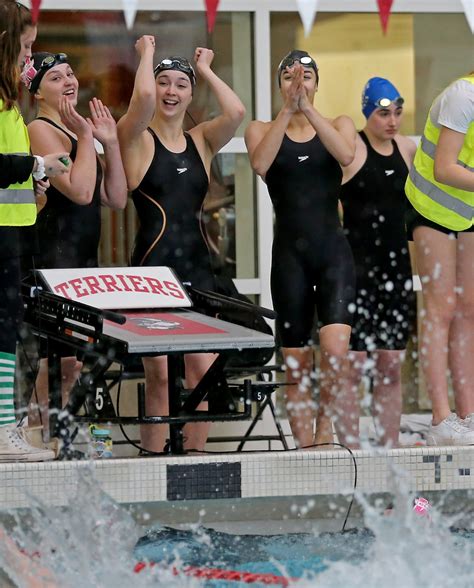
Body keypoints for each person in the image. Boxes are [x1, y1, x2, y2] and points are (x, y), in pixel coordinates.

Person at [117, 35, 245, 453]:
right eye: (165, 82)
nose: (171, 91)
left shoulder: (202, 140)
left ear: (191, 93)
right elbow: (143, 98)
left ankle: (194, 461)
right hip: (152, 271)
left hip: (197, 269)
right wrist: (146, 55)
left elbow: (237, 111)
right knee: (156, 375)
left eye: (181, 84)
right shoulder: (137, 138)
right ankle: (153, 466)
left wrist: (206, 70)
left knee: (201, 371)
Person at [245, 50, 356, 449]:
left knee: (335, 349)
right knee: (295, 359)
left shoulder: (337, 124)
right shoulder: (260, 128)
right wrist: (288, 111)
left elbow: (346, 156)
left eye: (307, 76)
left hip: (333, 252)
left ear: (317, 83)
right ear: (279, 85)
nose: (300, 83)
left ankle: (325, 435)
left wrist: (307, 110)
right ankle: (303, 445)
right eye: (292, 77)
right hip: (290, 256)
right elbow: (260, 164)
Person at [24, 51, 128, 438]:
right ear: (37, 93)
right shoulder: (40, 129)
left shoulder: (76, 132)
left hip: (84, 262)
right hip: (54, 259)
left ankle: (61, 441)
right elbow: (82, 192)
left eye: (70, 74)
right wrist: (86, 137)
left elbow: (115, 197)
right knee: (60, 363)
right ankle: (39, 436)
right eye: (55, 78)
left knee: (79, 364)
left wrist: (110, 142)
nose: (68, 81)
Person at [0, 0, 69, 461]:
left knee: (7, 333)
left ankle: (5, 426)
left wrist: (34, 179)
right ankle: (5, 429)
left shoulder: (9, 104)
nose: (30, 58)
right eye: (26, 48)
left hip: (14, 231)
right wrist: (33, 163)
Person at [338, 77, 417, 448]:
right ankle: (350, 449)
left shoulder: (406, 148)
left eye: (397, 112)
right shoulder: (352, 147)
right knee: (352, 367)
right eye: (384, 113)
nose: (392, 120)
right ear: (368, 112)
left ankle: (391, 448)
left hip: (396, 268)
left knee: (389, 364)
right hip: (356, 270)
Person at [405, 72, 474, 446]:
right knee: (441, 308)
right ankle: (440, 419)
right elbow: (444, 167)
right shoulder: (464, 96)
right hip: (430, 205)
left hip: (468, 211)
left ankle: (468, 415)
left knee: (469, 310)